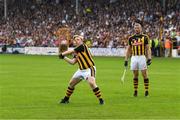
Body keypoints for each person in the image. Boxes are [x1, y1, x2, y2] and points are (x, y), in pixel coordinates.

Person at [58, 35, 104, 104]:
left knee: (91, 83)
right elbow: (73, 62)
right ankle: (66, 99)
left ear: (81, 40)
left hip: (89, 68)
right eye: (75, 40)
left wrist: (61, 54)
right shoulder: (76, 51)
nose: (77, 40)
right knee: (71, 84)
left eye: (78, 39)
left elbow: (71, 51)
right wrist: (64, 57)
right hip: (81, 70)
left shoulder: (83, 46)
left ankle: (101, 100)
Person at [124, 20, 152, 97]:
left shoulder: (145, 37)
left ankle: (146, 91)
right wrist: (126, 60)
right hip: (134, 57)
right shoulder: (131, 38)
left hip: (142, 57)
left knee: (144, 74)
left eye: (138, 27)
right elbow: (129, 49)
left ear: (141, 28)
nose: (136, 29)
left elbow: (148, 48)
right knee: (135, 75)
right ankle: (135, 91)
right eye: (135, 27)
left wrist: (149, 58)